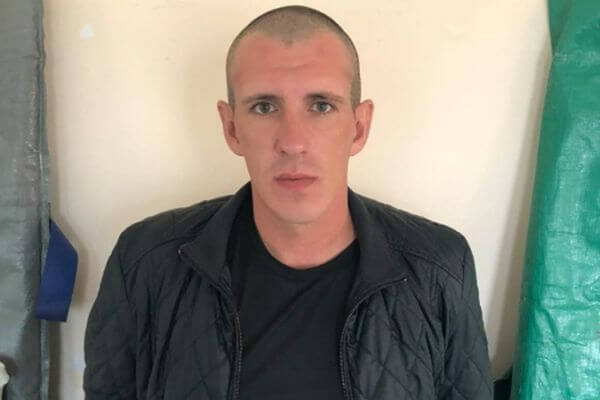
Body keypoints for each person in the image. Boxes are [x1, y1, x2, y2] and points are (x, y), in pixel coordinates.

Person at [83, 5, 493, 400]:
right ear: (232, 128)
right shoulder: (145, 263)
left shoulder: (440, 268)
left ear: (358, 127)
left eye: (321, 106)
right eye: (264, 107)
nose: (293, 141)